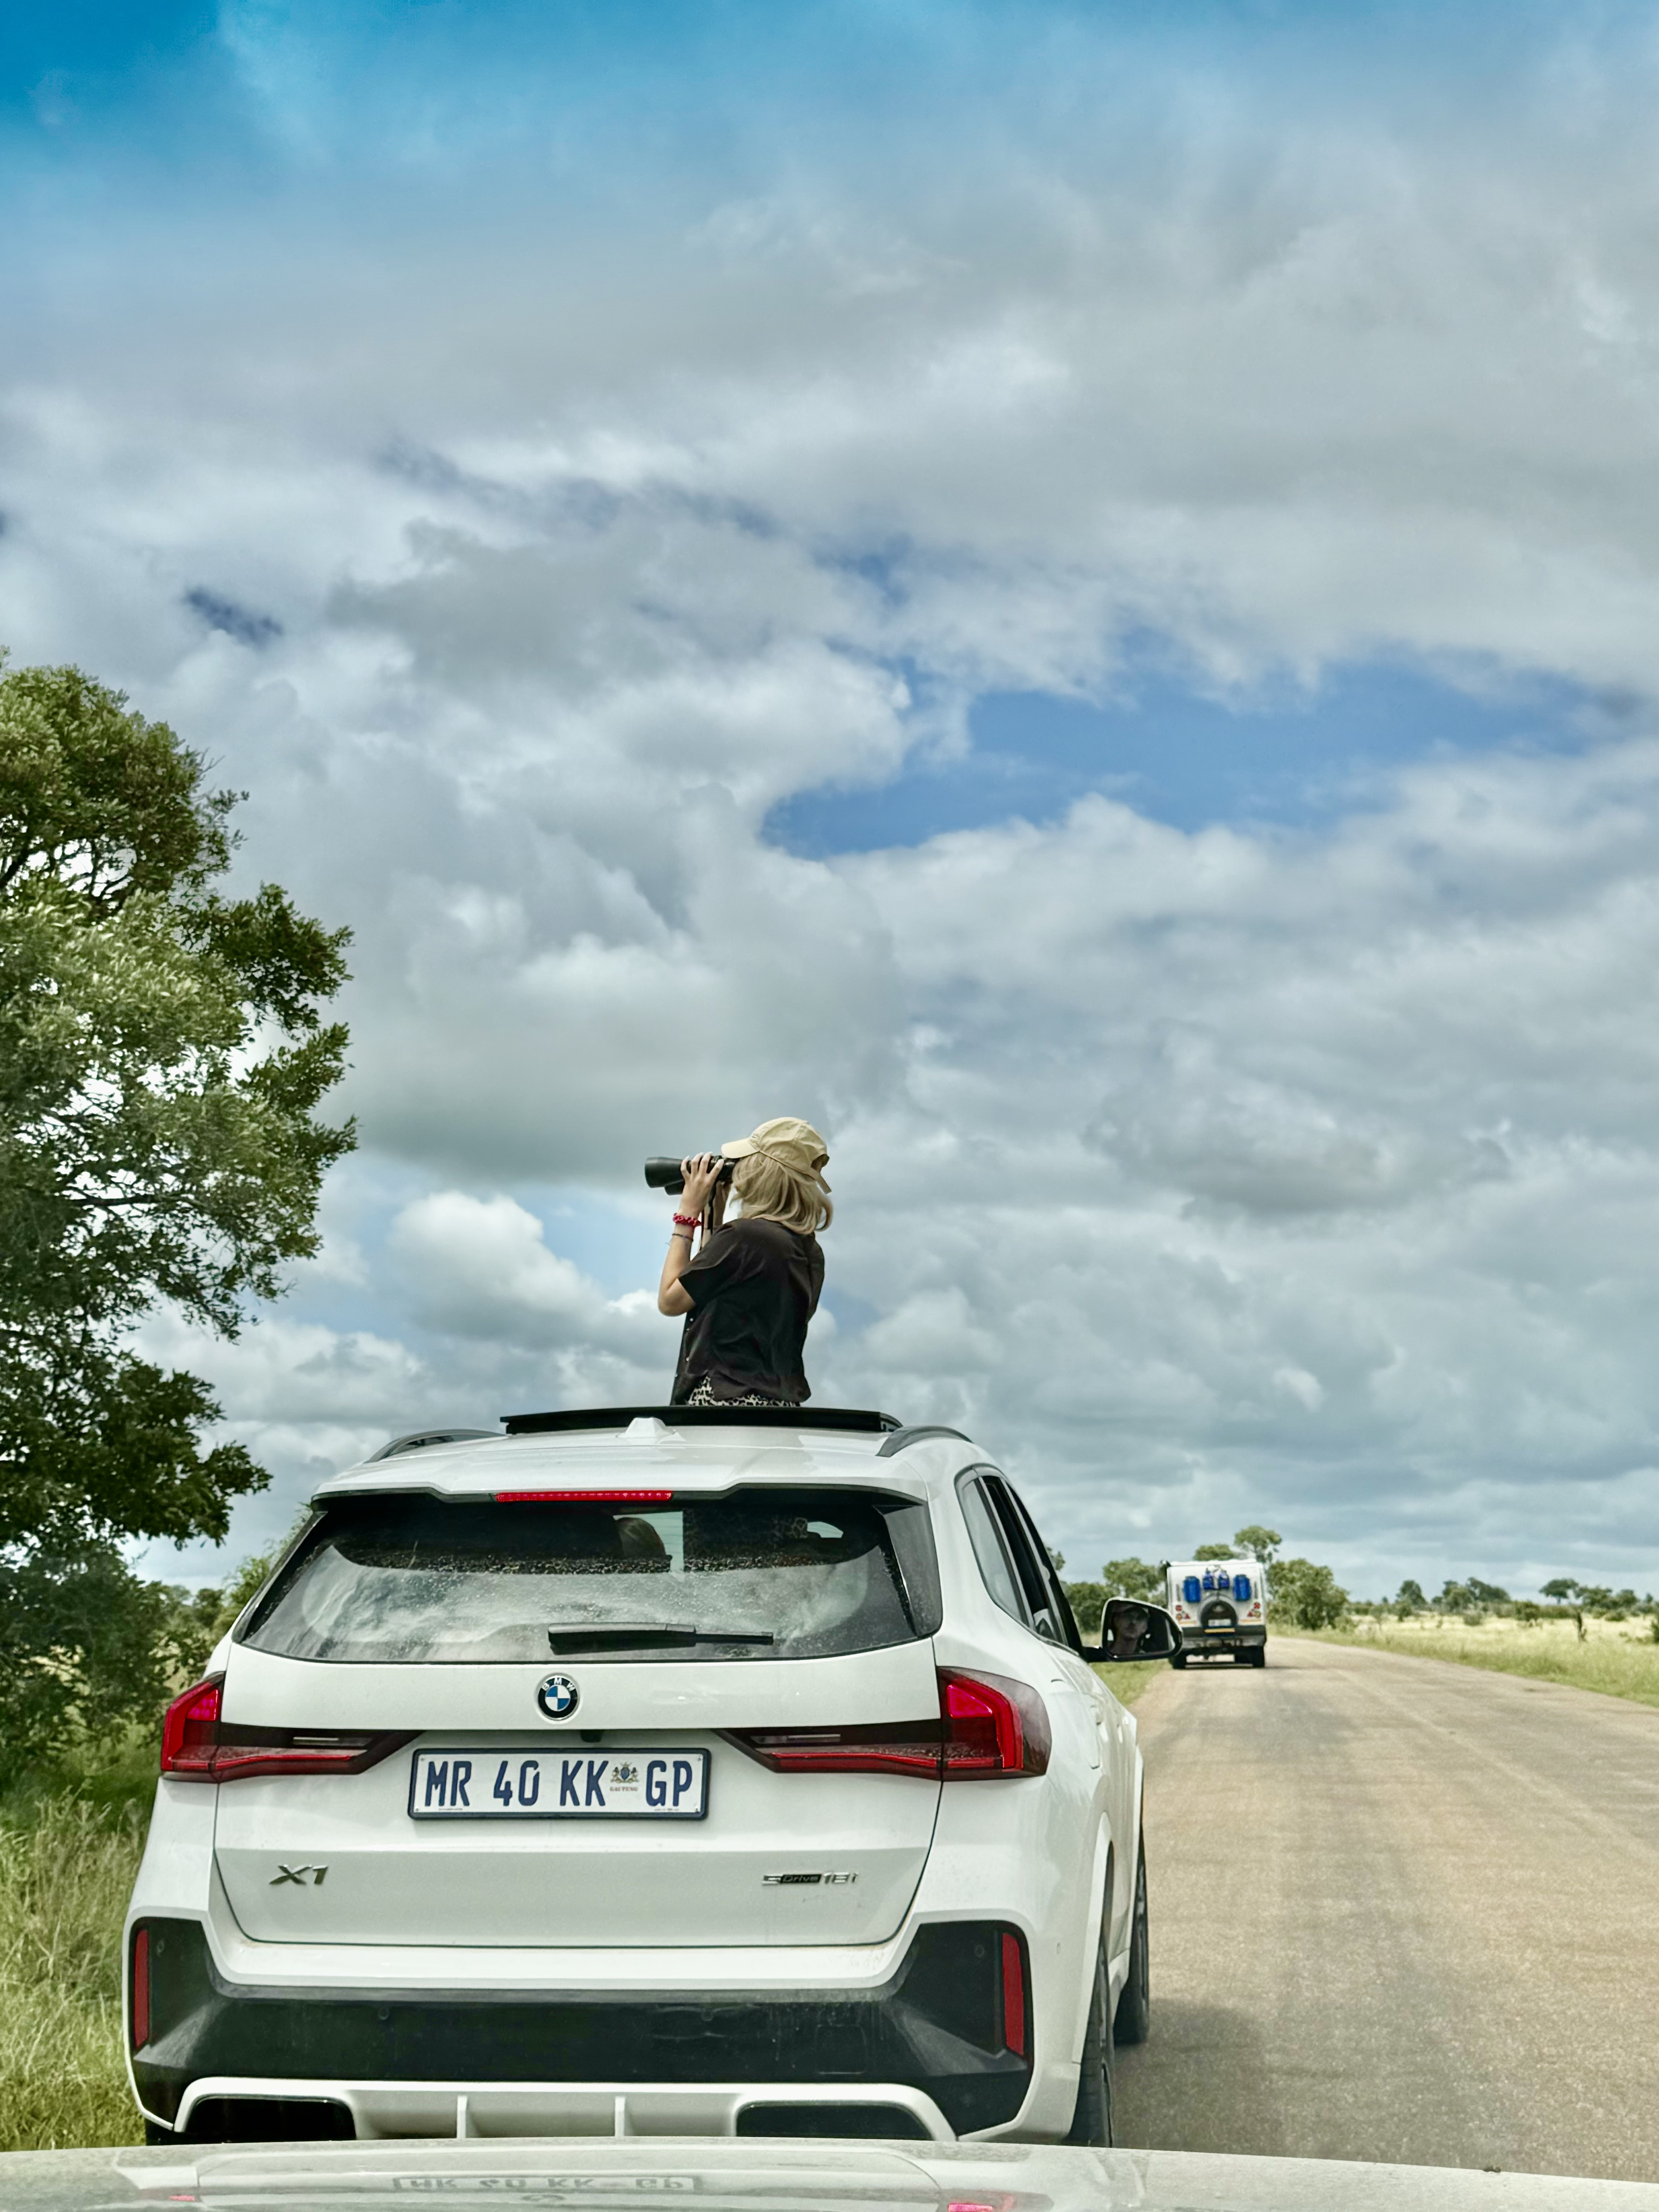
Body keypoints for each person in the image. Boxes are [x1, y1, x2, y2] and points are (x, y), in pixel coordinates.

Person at [656, 1116, 831, 1407]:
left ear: (763, 1172)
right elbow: (712, 1284)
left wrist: (687, 1213)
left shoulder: (743, 1237)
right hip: (781, 1408)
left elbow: (670, 1301)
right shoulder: (809, 1251)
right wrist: (715, 1216)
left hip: (726, 1404)